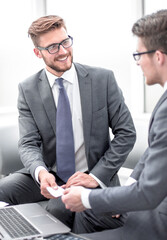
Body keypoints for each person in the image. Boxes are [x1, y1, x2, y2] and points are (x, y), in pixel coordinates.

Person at [0, 15, 136, 229]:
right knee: (2, 189)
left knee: (58, 209)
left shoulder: (103, 79)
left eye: (65, 42)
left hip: (92, 173)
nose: (63, 51)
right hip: (51, 173)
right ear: (38, 52)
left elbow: (126, 133)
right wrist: (41, 172)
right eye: (53, 47)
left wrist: (96, 177)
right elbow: (28, 143)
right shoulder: (27, 89)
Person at [62, 9, 167, 240]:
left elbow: (149, 193)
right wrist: (123, 194)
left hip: (158, 218)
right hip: (148, 200)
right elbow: (153, 152)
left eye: (139, 54)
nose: (137, 63)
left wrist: (86, 197)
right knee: (88, 215)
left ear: (158, 57)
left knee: (86, 207)